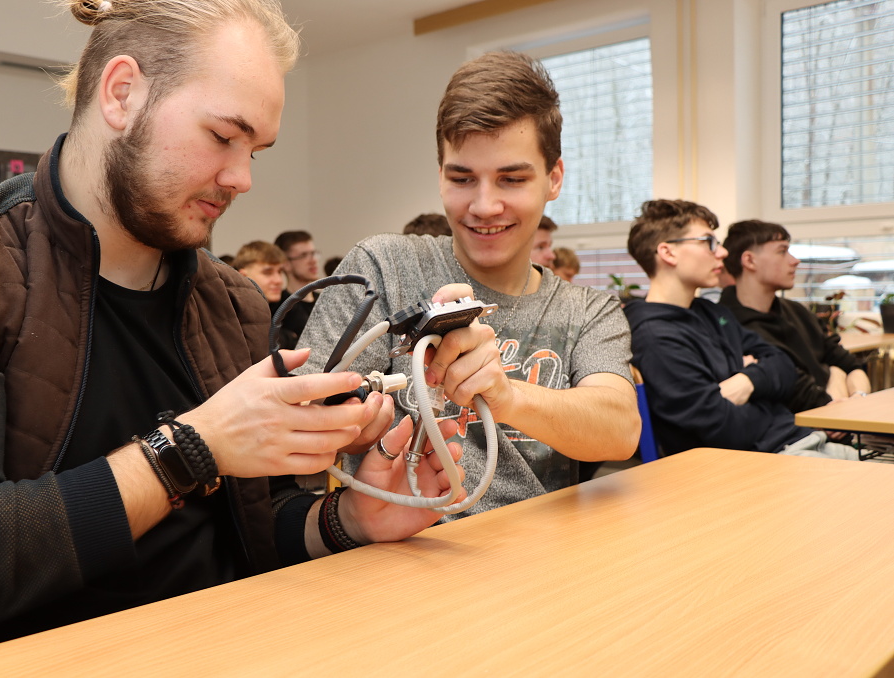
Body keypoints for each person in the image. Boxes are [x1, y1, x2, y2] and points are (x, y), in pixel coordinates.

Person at [0, 1, 464, 672]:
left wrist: (349, 520)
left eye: (254, 151)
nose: (243, 178)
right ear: (122, 93)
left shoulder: (233, 303)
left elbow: (257, 528)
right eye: (223, 136)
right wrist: (193, 446)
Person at [296, 51, 640, 518]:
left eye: (511, 179)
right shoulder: (382, 267)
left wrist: (508, 396)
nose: (484, 206)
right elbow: (304, 426)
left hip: (536, 547)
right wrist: (350, 429)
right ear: (440, 177)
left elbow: (620, 431)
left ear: (554, 178)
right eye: (462, 178)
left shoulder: (587, 310)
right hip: (398, 545)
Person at [623, 199, 863, 459]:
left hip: (799, 441)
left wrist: (747, 381)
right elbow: (721, 426)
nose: (722, 253)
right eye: (708, 242)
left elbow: (782, 364)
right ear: (668, 253)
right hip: (762, 459)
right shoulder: (654, 336)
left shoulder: (713, 313)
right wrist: (767, 396)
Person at [718, 219, 869, 412]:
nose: (795, 260)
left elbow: (851, 366)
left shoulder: (798, 312)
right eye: (782, 251)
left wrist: (858, 396)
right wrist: (836, 375)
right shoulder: (726, 325)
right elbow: (804, 398)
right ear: (749, 260)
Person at [273, 229, 320, 344]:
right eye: (304, 255)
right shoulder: (278, 306)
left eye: (313, 253)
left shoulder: (325, 300)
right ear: (286, 264)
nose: (313, 260)